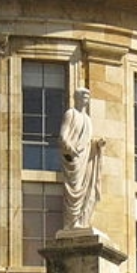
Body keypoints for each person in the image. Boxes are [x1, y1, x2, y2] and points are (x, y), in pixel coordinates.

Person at [59, 87, 104, 230]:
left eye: (88, 95)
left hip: (86, 159)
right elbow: (62, 136)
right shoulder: (70, 114)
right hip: (74, 158)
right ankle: (71, 223)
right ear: (77, 97)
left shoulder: (88, 120)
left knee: (87, 189)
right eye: (83, 95)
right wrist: (70, 149)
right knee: (75, 188)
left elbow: (88, 141)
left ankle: (82, 220)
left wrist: (97, 145)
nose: (87, 97)